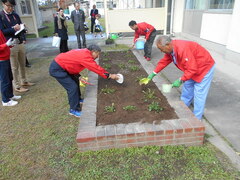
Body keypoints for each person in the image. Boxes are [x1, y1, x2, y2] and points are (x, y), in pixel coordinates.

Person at [143, 35, 215, 120]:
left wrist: (180, 80)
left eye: (162, 49)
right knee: (188, 88)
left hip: (204, 67)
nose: (162, 52)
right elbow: (164, 61)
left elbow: (192, 69)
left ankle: (197, 119)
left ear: (168, 44)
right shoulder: (171, 50)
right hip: (191, 67)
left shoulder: (182, 50)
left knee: (199, 94)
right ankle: (183, 108)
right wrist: (153, 74)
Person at [49, 44, 119, 118]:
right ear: (93, 52)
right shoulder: (85, 56)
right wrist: (110, 75)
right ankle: (73, 110)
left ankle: (78, 99)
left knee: (75, 82)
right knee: (72, 87)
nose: (98, 57)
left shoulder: (84, 52)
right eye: (97, 54)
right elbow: (95, 68)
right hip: (57, 69)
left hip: (64, 67)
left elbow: (72, 64)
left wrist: (78, 76)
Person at [0, 0, 35, 93]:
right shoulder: (1, 16)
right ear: (3, 4)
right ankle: (16, 85)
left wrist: (23, 33)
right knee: (14, 66)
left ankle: (24, 81)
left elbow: (20, 26)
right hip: (10, 44)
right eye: (8, 6)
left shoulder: (15, 15)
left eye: (12, 6)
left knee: (22, 63)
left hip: (20, 42)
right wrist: (13, 28)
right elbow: (2, 31)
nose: (10, 8)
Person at [0, 29, 21, 106]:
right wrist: (6, 45)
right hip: (1, 59)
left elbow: (3, 41)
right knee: (4, 80)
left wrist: (10, 44)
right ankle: (5, 100)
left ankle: (10, 95)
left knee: (9, 78)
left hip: (6, 57)